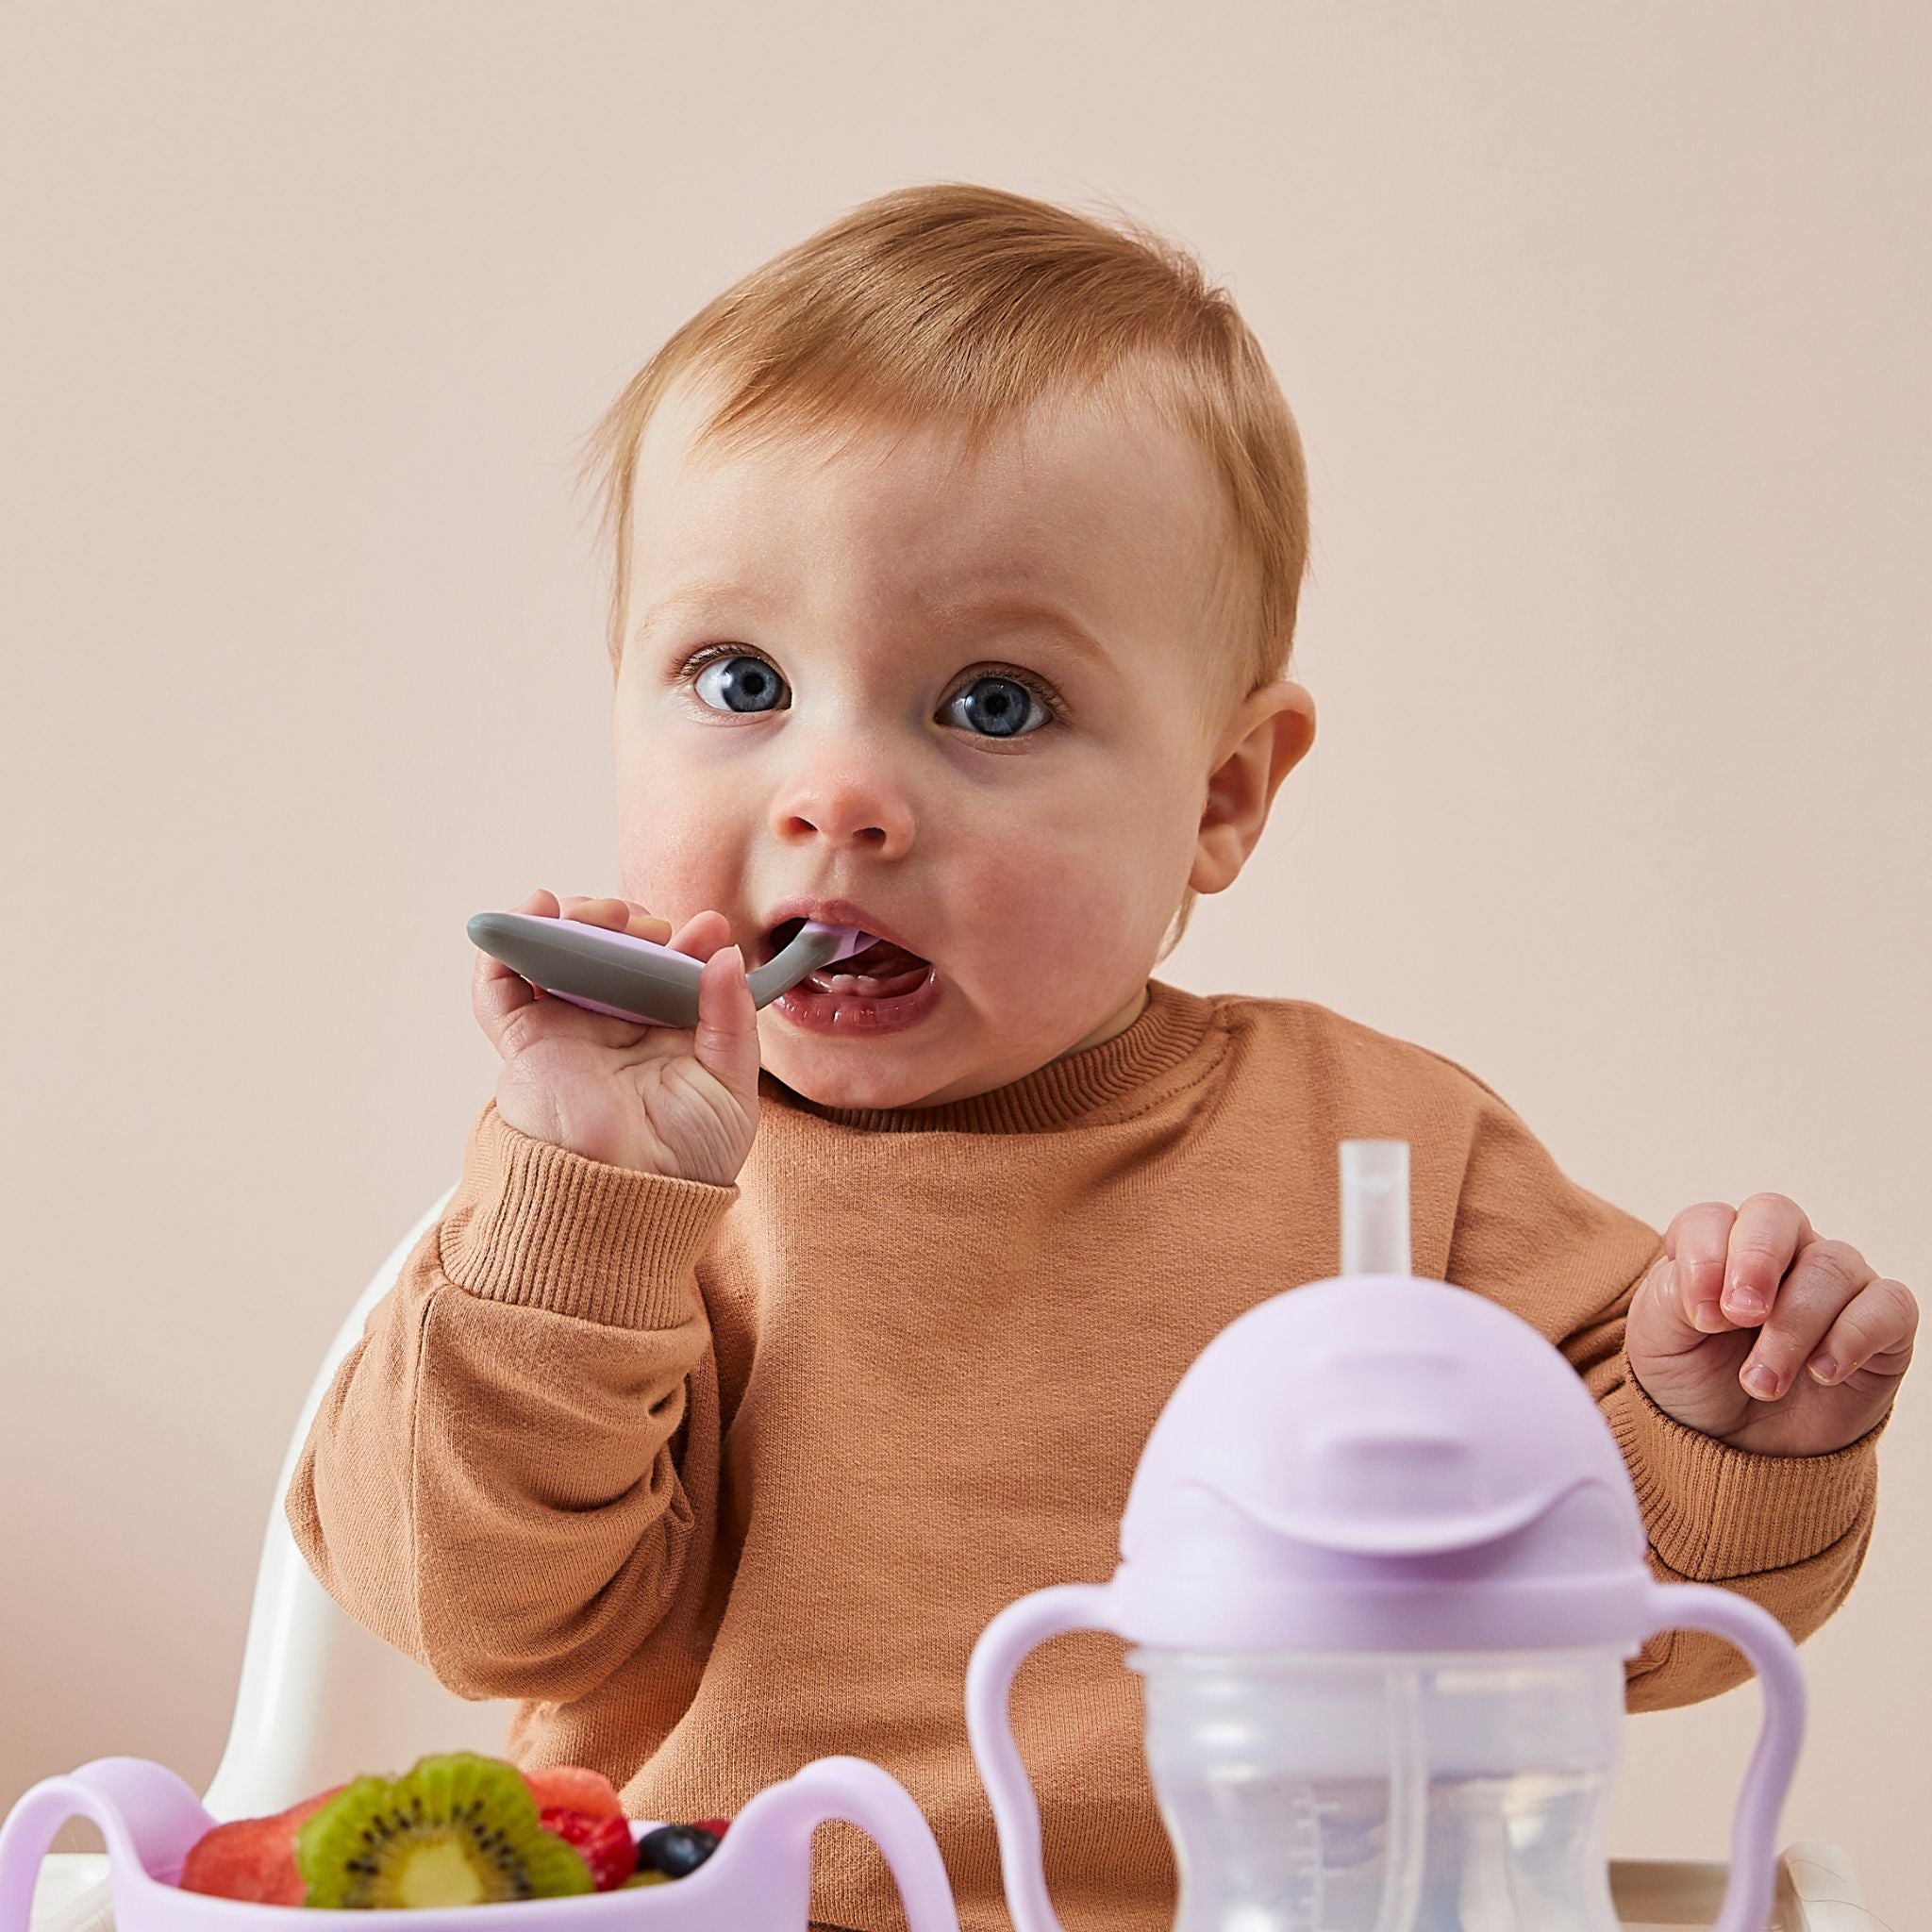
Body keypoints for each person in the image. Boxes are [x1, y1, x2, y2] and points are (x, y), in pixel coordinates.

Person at [288, 181, 1917, 1932]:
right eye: (741, 678)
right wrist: (581, 1208)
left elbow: (1640, 1627)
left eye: (992, 703)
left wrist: (1719, 1425)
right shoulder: (616, 1195)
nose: (834, 796)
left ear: (1223, 795)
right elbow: (471, 1611)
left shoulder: (1390, 1153)